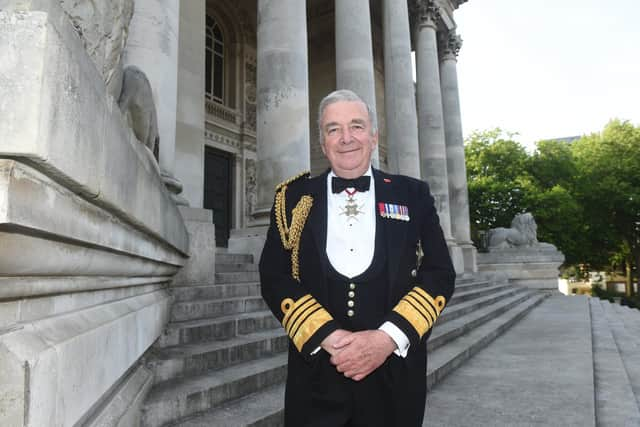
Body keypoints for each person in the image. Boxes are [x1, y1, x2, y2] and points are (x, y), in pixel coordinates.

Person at [259, 89, 455, 426]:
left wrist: (386, 338)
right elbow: (274, 275)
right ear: (322, 143)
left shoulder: (412, 194)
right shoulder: (293, 198)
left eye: (357, 126)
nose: (346, 138)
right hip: (317, 375)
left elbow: (439, 272)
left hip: (394, 375)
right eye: (333, 129)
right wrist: (330, 338)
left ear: (374, 136)